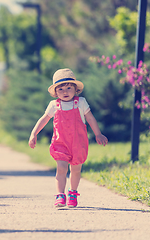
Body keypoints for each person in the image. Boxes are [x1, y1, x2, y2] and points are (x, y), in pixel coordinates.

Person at [28, 68, 108, 208]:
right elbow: (43, 119)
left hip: (78, 143)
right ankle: (60, 195)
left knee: (76, 170)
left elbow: (90, 118)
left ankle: (73, 193)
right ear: (56, 92)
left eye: (69, 88)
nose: (65, 92)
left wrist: (98, 134)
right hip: (61, 143)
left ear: (76, 89)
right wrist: (34, 133)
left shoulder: (81, 103)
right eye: (61, 89)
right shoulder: (54, 105)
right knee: (61, 168)